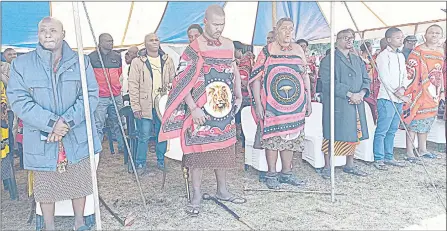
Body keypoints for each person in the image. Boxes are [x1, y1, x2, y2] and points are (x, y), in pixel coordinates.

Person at [6, 17, 101, 230]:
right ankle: (49, 226)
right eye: (43, 31)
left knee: (79, 181)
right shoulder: (22, 64)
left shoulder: (81, 61)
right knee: (46, 186)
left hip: (74, 132)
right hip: (42, 135)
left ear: (63, 34)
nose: (48, 34)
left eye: (53, 30)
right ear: (38, 35)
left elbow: (90, 95)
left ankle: (80, 223)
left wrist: (65, 122)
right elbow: (18, 100)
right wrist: (51, 123)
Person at [159, 4, 246, 216]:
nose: (219, 29)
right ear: (205, 22)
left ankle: (222, 190)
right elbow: (182, 80)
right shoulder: (194, 48)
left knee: (223, 152)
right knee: (196, 156)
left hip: (224, 109)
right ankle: (196, 194)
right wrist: (192, 107)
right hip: (199, 111)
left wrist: (239, 94)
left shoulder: (227, 44)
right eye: (216, 24)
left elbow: (232, 69)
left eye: (222, 24)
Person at [250, 18, 311, 189]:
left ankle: (287, 173)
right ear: (276, 30)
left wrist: (309, 100)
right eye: (284, 28)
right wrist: (258, 105)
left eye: (291, 28)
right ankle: (271, 174)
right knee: (273, 139)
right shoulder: (267, 51)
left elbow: (305, 75)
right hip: (272, 106)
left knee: (290, 139)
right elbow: (255, 78)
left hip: (295, 106)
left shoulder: (299, 49)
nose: (288, 32)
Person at [319, 29, 370, 179]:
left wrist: (361, 94)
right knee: (332, 131)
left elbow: (366, 79)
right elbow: (328, 82)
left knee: (353, 133)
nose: (349, 40)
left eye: (351, 38)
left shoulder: (357, 59)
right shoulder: (328, 60)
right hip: (338, 103)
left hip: (356, 102)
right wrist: (349, 94)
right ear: (337, 40)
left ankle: (350, 164)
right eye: (345, 38)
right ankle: (327, 166)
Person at [128, 33, 176, 173]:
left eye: (157, 40)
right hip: (145, 104)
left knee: (162, 133)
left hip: (163, 104)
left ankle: (161, 160)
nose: (155, 42)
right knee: (144, 134)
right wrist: (135, 106)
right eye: (151, 40)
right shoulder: (138, 62)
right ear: (145, 43)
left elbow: (173, 80)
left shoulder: (167, 60)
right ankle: (141, 162)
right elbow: (133, 85)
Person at [403, 24, 445, 160]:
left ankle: (422, 149)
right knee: (414, 121)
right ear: (425, 35)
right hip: (419, 91)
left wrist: (442, 91)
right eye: (431, 33)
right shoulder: (418, 50)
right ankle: (410, 152)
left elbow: (441, 73)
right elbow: (410, 70)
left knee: (427, 120)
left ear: (441, 36)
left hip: (434, 92)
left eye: (437, 33)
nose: (434, 35)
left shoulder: (441, 51)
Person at [373, 28, 410, 170]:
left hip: (399, 98)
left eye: (402, 37)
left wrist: (403, 87)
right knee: (382, 129)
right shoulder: (383, 56)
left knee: (393, 129)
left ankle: (389, 156)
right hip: (386, 97)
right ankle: (378, 157)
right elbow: (384, 77)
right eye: (397, 38)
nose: (401, 40)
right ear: (389, 39)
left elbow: (404, 75)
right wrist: (397, 92)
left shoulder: (400, 56)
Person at [89, 33, 125, 153]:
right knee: (98, 124)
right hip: (100, 97)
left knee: (119, 121)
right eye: (108, 41)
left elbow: (119, 73)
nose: (111, 43)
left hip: (116, 95)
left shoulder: (117, 56)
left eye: (112, 40)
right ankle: (97, 151)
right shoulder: (91, 57)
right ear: (100, 42)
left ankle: (122, 147)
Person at [233, 41, 254, 151]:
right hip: (240, 96)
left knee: (241, 118)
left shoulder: (244, 63)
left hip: (244, 97)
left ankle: (242, 139)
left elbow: (244, 82)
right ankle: (240, 139)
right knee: (239, 118)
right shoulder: (237, 63)